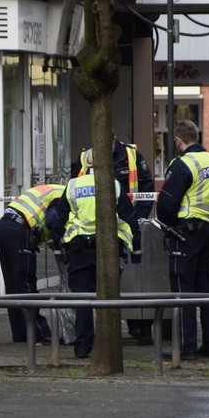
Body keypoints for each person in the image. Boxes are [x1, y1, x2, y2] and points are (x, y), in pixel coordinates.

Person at [49, 149, 140, 358]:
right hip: (107, 249)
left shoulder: (73, 185)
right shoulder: (113, 184)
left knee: (83, 300)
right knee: (107, 299)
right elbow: (130, 218)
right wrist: (137, 251)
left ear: (85, 162)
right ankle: (108, 344)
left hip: (80, 250)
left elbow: (59, 218)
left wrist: (59, 245)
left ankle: (82, 347)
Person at [156, 119, 209, 360]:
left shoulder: (183, 164)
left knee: (182, 289)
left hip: (185, 233)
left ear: (178, 140)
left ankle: (185, 347)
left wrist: (168, 223)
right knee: (206, 287)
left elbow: (166, 205)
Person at [78, 136, 156, 342]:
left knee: (133, 278)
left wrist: (137, 219)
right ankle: (108, 328)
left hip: (127, 226)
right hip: (98, 226)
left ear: (113, 140)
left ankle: (139, 326)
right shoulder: (88, 155)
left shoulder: (131, 154)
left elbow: (147, 187)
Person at [0, 183, 65, 343]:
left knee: (14, 286)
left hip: (5, 227)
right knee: (26, 282)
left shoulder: (52, 189)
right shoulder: (64, 195)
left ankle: (21, 332)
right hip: (19, 229)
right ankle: (39, 333)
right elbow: (52, 221)